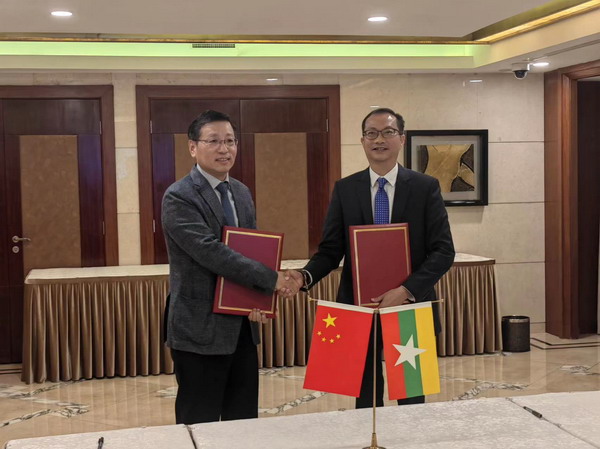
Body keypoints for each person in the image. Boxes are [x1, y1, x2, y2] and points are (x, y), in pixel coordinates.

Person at [292, 108, 455, 408]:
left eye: (388, 132)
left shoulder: (425, 187)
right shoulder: (345, 189)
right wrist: (305, 276)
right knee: (364, 400)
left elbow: (444, 251)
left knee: (411, 400)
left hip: (409, 308)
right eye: (371, 133)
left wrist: (405, 291)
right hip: (357, 309)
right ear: (362, 140)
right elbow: (330, 250)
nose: (379, 140)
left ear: (402, 139)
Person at [162, 109, 299, 424]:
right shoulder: (179, 197)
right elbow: (212, 253)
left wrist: (258, 300)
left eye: (230, 141)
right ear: (193, 147)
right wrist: (271, 279)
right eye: (213, 141)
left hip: (241, 330)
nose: (224, 149)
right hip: (199, 330)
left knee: (242, 422)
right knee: (200, 423)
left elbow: (250, 251)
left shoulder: (241, 192)